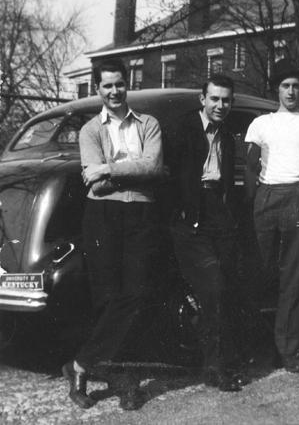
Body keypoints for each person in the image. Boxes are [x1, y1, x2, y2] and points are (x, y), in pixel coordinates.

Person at [62, 58, 163, 409]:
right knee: (108, 298)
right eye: (107, 85)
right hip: (103, 216)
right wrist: (127, 172)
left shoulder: (148, 124)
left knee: (133, 295)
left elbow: (153, 166)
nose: (115, 91)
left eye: (119, 84)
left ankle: (80, 364)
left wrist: (109, 167)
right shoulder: (90, 130)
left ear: (127, 83)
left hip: (142, 214)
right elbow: (96, 183)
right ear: (97, 88)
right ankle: (120, 377)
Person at [245, 59, 299, 373]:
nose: (291, 91)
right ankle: (249, 348)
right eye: (285, 85)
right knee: (256, 272)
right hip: (266, 196)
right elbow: (250, 166)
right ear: (277, 89)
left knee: (292, 278)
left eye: (296, 86)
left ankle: (287, 350)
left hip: (298, 195)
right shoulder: (261, 123)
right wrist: (254, 201)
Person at [167, 74, 248, 392]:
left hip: (218, 212)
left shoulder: (227, 135)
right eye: (214, 98)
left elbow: (228, 182)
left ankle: (224, 358)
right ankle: (213, 367)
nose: (220, 105)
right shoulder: (183, 128)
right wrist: (180, 212)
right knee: (212, 286)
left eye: (226, 100)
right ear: (202, 99)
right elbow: (168, 174)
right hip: (190, 215)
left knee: (226, 287)